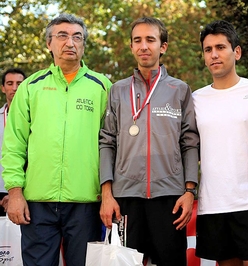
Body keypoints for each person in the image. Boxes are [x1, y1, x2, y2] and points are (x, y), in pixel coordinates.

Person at [1, 13, 112, 266]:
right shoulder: (31, 86)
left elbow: (111, 145)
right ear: (49, 44)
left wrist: (108, 194)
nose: (70, 42)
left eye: (77, 37)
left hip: (86, 202)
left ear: (84, 44)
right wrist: (15, 192)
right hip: (37, 202)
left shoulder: (103, 86)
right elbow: (14, 144)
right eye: (62, 36)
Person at [99, 17, 199, 266]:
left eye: (150, 40)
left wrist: (189, 191)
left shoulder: (180, 90)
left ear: (162, 46)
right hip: (125, 198)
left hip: (170, 198)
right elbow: (107, 142)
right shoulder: (118, 91)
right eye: (137, 40)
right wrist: (107, 194)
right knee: (126, 263)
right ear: (132, 47)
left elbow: (189, 142)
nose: (144, 46)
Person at [193, 20, 248, 266]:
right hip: (213, 204)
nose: (214, 54)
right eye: (208, 49)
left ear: (236, 52)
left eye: (220, 47)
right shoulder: (196, 99)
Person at [0, 68, 26, 216]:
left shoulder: (34, 120)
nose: (15, 88)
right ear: (3, 88)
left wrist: (15, 193)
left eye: (19, 83)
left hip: (22, 192)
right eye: (10, 83)